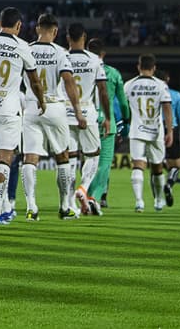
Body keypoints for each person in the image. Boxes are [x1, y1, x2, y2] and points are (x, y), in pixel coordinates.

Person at [0, 7, 46, 225]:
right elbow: (34, 80)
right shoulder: (22, 46)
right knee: (5, 159)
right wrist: (41, 100)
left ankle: (4, 206)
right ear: (18, 26)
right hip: (9, 109)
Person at [17, 14, 81, 221]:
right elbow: (69, 81)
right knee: (62, 156)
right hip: (54, 107)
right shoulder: (61, 53)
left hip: (31, 107)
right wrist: (77, 110)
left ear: (37, 29)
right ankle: (64, 206)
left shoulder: (26, 49)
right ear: (55, 31)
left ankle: (31, 206)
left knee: (30, 157)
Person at [66, 24, 111, 216]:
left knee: (68, 160)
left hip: (64, 115)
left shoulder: (62, 57)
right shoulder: (94, 60)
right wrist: (108, 117)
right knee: (94, 154)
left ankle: (68, 204)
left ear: (68, 37)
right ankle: (83, 187)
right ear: (84, 36)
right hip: (88, 115)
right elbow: (102, 91)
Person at [123, 54, 173, 212]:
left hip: (137, 130)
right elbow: (167, 108)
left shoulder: (129, 85)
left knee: (137, 165)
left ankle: (139, 202)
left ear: (139, 67)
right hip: (156, 131)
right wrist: (170, 130)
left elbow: (124, 107)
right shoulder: (161, 85)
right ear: (154, 68)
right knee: (157, 167)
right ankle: (158, 200)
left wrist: (125, 121)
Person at [86, 41, 127, 208]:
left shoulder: (79, 68)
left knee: (88, 160)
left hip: (86, 119)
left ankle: (83, 192)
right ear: (102, 54)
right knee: (104, 163)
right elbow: (123, 102)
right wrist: (126, 119)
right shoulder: (113, 73)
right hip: (106, 121)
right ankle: (94, 196)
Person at [157, 70, 180, 203]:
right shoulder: (176, 95)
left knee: (156, 165)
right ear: (168, 79)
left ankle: (158, 198)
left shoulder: (152, 93)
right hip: (172, 129)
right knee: (176, 165)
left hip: (153, 129)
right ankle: (169, 184)